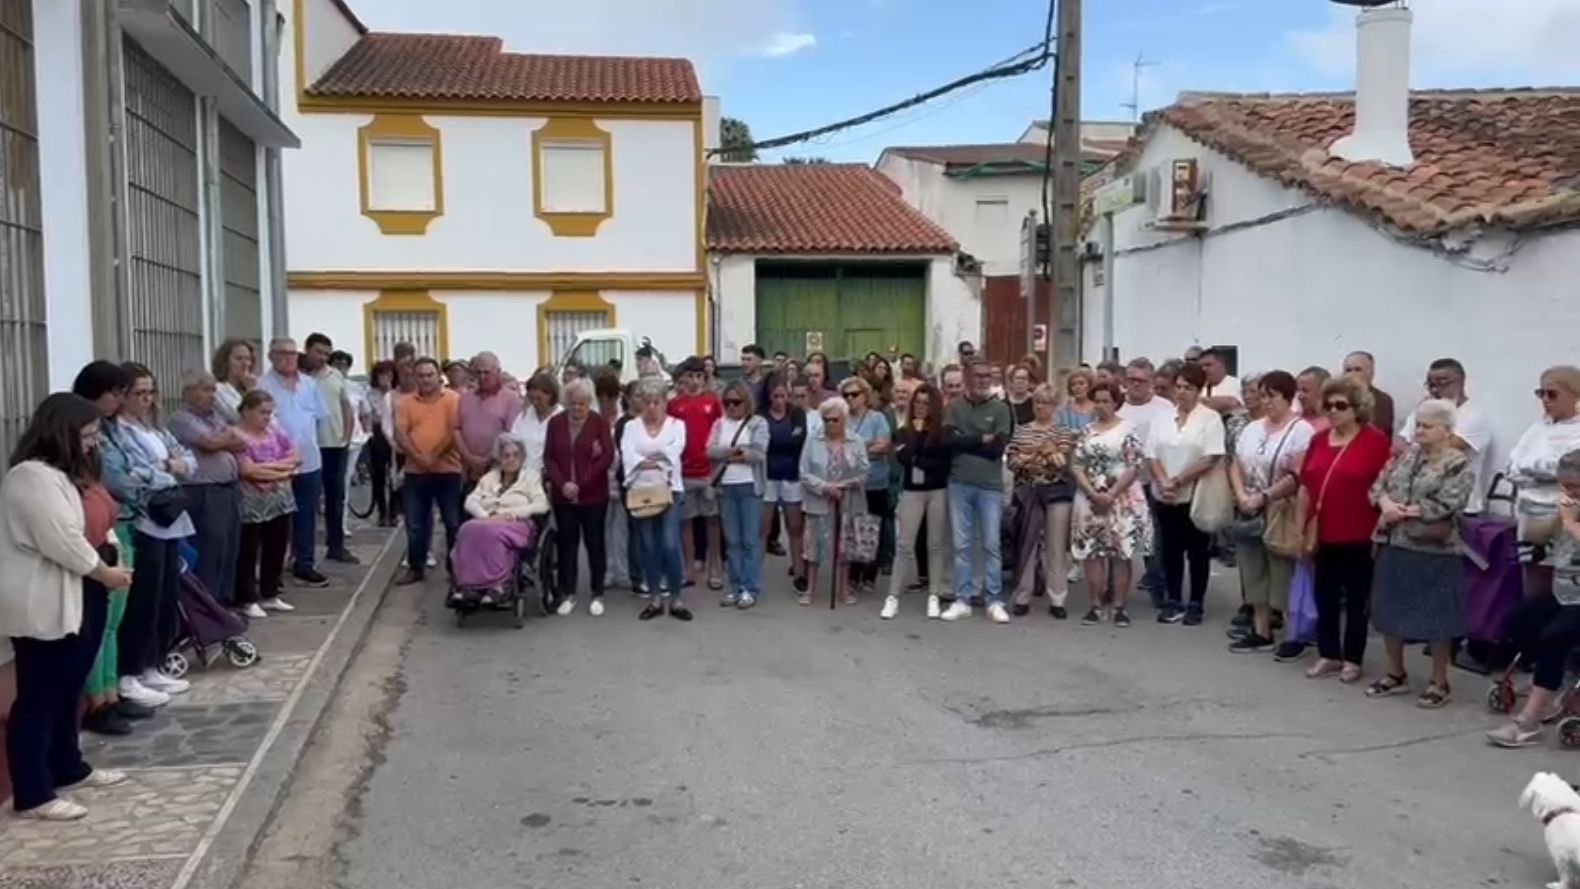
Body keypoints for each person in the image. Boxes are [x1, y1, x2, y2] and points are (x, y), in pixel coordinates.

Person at [0, 393, 136, 820]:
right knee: (40, 694)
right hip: (51, 597)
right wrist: (105, 572)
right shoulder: (31, 478)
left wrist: (111, 558)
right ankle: (33, 791)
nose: (93, 443)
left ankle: (67, 764)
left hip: (84, 590)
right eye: (87, 435)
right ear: (62, 433)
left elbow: (100, 522)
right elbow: (61, 540)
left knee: (69, 686)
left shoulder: (71, 474)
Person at [1364, 400, 1473, 708]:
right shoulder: (1405, 456)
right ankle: (1395, 672)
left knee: (1438, 615)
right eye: (1418, 425)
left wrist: (1406, 512)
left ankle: (1440, 681)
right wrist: (1386, 505)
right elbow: (1377, 487)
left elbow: (1450, 502)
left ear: (1447, 430)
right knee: (1389, 608)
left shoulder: (1457, 463)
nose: (1420, 431)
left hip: (1434, 548)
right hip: (1394, 543)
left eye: (1428, 426)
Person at [99, 364, 195, 708]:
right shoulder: (115, 434)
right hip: (144, 520)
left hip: (170, 518)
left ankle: (154, 662)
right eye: (138, 393)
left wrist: (167, 467)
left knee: (166, 595)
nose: (146, 400)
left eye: (150, 392)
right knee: (143, 597)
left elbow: (189, 462)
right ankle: (131, 670)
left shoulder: (152, 428)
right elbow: (128, 477)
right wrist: (167, 470)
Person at [69, 362, 151, 736]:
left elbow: (138, 470)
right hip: (99, 535)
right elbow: (118, 477)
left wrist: (148, 475)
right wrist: (152, 476)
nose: (120, 400)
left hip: (121, 525)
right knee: (100, 625)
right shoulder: (79, 439)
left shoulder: (112, 430)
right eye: (114, 393)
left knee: (114, 622)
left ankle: (112, 693)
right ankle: (97, 702)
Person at [1301, 375, 1392, 684]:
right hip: (1322, 532)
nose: (1333, 411)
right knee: (1324, 595)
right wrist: (1301, 527)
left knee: (1356, 600)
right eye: (1328, 405)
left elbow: (1386, 487)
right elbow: (1306, 486)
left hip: (1358, 534)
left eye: (1341, 405)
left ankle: (1353, 658)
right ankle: (1329, 654)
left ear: (1358, 408)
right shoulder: (1318, 440)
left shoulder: (1375, 440)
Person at [1488, 449, 1580, 748]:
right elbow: (1538, 535)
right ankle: (1547, 687)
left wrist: (1570, 523)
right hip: (1564, 591)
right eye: (1564, 486)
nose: (1567, 492)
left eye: (1574, 487)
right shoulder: (1569, 507)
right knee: (1518, 619)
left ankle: (1529, 721)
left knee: (1556, 636)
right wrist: (1553, 519)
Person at [1227, 371, 1315, 655]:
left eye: (1272, 396)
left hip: (1280, 507)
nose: (1266, 402)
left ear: (1288, 398)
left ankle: (1293, 634)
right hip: (1249, 506)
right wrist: (1242, 495)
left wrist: (1265, 496)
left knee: (1282, 571)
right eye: (1262, 395)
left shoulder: (1301, 430)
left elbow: (1298, 474)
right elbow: (1236, 463)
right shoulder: (1252, 428)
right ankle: (1261, 629)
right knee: (1253, 569)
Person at [1145, 363, 1227, 625]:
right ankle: (1173, 599)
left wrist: (1179, 480)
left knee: (1197, 550)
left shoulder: (1209, 418)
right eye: (1178, 387)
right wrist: (1163, 482)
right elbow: (1151, 453)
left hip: (1195, 492)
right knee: (1170, 549)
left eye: (1187, 388)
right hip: (1165, 493)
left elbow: (1211, 456)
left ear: (1198, 389)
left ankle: (1196, 602)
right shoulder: (1162, 417)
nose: (1181, 392)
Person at [1070, 379, 1150, 627]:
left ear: (1116, 402)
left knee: (1120, 553)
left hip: (1122, 497)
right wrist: (1093, 493)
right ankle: (1095, 605)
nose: (1101, 405)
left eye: (1107, 401)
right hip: (1090, 498)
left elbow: (1134, 465)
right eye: (1098, 401)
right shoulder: (1087, 431)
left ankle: (1119, 607)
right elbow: (1076, 464)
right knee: (1092, 552)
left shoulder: (1128, 429)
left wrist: (1112, 494)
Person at [941, 360, 1013, 624]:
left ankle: (994, 599)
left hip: (990, 486)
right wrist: (981, 438)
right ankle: (963, 599)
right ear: (968, 378)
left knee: (991, 544)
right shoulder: (955, 407)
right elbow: (948, 441)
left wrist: (965, 440)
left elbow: (998, 448)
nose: (983, 380)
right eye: (978, 376)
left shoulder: (1001, 409)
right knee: (962, 544)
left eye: (987, 376)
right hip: (959, 483)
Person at [168, 371, 245, 606]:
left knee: (229, 549)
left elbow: (241, 439)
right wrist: (224, 438)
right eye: (205, 390)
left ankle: (224, 601)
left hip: (227, 488)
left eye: (213, 390)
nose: (212, 396)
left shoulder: (216, 417)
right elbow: (209, 443)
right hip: (203, 491)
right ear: (188, 392)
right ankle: (208, 606)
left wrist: (223, 437)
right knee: (211, 548)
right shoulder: (181, 419)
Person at [257, 338, 330, 588]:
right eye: (282, 353)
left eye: (292, 353)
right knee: (276, 519)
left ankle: (305, 564)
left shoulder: (309, 384)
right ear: (271, 356)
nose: (289, 358)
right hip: (275, 463)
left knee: (307, 515)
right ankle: (272, 572)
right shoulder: (262, 385)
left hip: (309, 460)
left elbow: (318, 418)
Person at [450, 433, 551, 604]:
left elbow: (542, 505)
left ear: (522, 457)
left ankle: (498, 585)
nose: (511, 460)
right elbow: (470, 501)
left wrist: (515, 513)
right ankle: (469, 585)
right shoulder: (490, 478)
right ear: (499, 458)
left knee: (492, 534)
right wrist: (485, 516)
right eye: (506, 455)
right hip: (487, 521)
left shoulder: (531, 478)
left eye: (515, 455)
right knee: (466, 530)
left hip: (516, 523)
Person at [1507, 366, 1580, 602]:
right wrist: (1543, 470)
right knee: (1533, 586)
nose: (1546, 401)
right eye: (1541, 394)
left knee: (1562, 588)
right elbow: (1511, 467)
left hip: (1563, 519)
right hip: (1530, 517)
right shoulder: (1537, 429)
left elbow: (1567, 469)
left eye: (1553, 394)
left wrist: (1533, 468)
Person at [544, 379, 615, 616]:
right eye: (573, 404)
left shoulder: (599, 423)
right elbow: (549, 458)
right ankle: (569, 593)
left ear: (589, 403)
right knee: (567, 545)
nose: (577, 409)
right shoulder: (555, 423)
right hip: (563, 495)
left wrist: (580, 484)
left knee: (595, 544)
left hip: (593, 495)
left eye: (582, 404)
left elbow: (606, 457)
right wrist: (563, 484)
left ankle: (597, 593)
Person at [622, 380, 691, 621]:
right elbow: (627, 452)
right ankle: (654, 598)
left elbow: (675, 451)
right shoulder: (631, 426)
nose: (652, 407)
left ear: (665, 403)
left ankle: (676, 598)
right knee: (648, 546)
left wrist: (649, 459)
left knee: (670, 544)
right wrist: (650, 459)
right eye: (647, 402)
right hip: (641, 491)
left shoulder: (677, 425)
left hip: (670, 490)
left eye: (657, 402)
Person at [1008, 383, 1075, 619]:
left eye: (1045, 402)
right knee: (1027, 543)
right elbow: (1012, 461)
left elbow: (1061, 463)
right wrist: (1042, 453)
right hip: (1028, 491)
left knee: (1056, 547)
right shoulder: (1022, 429)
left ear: (1054, 405)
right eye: (1037, 402)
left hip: (1057, 493)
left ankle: (1057, 597)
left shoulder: (1063, 430)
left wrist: (1033, 457)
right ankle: (1023, 596)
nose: (1039, 407)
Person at [394, 358, 463, 586]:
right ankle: (416, 567)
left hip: (449, 470)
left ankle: (456, 569)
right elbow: (400, 434)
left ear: (438, 376)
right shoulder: (405, 403)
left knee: (453, 522)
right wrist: (419, 458)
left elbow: (454, 431)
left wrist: (433, 456)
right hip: (415, 471)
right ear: (414, 377)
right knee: (415, 522)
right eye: (420, 375)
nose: (425, 379)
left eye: (429, 374)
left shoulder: (453, 399)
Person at [233, 390, 301, 618]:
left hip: (278, 499)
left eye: (270, 413)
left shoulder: (274, 431)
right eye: (262, 412)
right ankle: (247, 597)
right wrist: (281, 469)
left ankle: (270, 592)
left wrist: (272, 469)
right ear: (247, 411)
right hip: (251, 500)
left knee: (277, 545)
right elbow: (247, 469)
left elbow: (295, 456)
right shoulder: (236, 435)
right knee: (249, 550)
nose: (267, 417)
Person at [887, 382, 951, 619]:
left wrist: (918, 458)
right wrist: (917, 434)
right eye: (917, 403)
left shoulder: (943, 432)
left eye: (926, 403)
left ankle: (934, 594)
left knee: (935, 545)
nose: (921, 407)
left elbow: (942, 464)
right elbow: (904, 457)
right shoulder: (904, 431)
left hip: (937, 490)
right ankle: (892, 596)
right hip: (912, 490)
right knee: (905, 544)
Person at [1395, 358, 1492, 513]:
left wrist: (1412, 450)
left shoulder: (1474, 416)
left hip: (1458, 506)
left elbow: (1440, 452)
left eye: (1442, 383)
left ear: (1461, 382)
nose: (1434, 390)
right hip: (1417, 503)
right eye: (1431, 384)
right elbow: (1399, 445)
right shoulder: (1425, 409)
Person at [800, 396, 870, 607]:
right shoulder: (813, 439)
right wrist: (825, 487)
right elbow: (804, 472)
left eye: (834, 420)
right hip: (819, 499)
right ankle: (810, 589)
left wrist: (846, 484)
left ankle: (843, 588)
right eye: (826, 420)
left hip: (848, 499)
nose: (830, 424)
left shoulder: (856, 440)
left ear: (844, 419)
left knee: (845, 546)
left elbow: (865, 470)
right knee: (814, 545)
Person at [708, 381, 769, 608]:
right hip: (726, 486)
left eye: (736, 402)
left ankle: (751, 587)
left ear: (747, 401)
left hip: (750, 486)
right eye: (727, 402)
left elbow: (759, 453)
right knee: (732, 541)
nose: (731, 407)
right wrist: (734, 452)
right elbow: (709, 450)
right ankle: (735, 586)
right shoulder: (719, 423)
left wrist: (736, 455)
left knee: (749, 541)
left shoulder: (757, 423)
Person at [669, 358, 725, 590]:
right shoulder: (675, 405)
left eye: (698, 377)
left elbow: (719, 433)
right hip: (684, 473)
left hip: (708, 472)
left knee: (712, 521)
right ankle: (689, 568)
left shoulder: (712, 403)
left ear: (705, 378)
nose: (694, 381)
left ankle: (714, 568)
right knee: (686, 522)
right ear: (684, 379)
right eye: (690, 377)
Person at [302, 333, 358, 566]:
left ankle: (336, 546)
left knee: (336, 497)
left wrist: (345, 436)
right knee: (309, 501)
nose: (322, 357)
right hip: (309, 447)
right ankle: (303, 551)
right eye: (318, 352)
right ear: (307, 351)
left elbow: (347, 407)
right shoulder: (302, 378)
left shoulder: (336, 377)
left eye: (326, 353)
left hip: (335, 445)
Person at [842, 376, 892, 601]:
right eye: (846, 395)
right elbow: (837, 447)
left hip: (875, 480)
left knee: (872, 528)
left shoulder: (877, 418)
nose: (851, 399)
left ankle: (869, 574)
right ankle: (853, 574)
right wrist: (867, 445)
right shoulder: (842, 419)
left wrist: (856, 447)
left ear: (865, 396)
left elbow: (883, 446)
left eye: (855, 394)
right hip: (851, 482)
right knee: (852, 527)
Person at [761, 375, 809, 589]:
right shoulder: (761, 415)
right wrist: (786, 439)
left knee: (795, 526)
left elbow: (799, 440)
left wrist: (779, 440)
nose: (779, 401)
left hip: (791, 474)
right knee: (763, 528)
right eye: (775, 396)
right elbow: (763, 443)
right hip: (768, 475)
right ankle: (756, 574)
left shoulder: (797, 413)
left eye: (783, 396)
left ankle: (799, 571)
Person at [455, 351, 524, 498]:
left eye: (487, 373)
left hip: (498, 471)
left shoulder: (511, 399)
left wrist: (488, 459)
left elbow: (510, 435)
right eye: (478, 372)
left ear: (498, 371)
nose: (482, 377)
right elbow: (457, 430)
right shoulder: (465, 398)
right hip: (468, 471)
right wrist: (469, 458)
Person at [363, 360, 399, 527]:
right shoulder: (370, 394)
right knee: (378, 476)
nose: (386, 378)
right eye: (382, 375)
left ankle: (394, 511)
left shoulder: (396, 394)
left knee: (395, 475)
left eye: (389, 375)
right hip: (377, 435)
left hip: (394, 434)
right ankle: (381, 511)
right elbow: (369, 415)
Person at [510, 372, 563, 477]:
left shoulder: (561, 417)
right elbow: (512, 440)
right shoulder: (524, 415)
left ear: (551, 396)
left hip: (548, 478)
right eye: (532, 398)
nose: (535, 402)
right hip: (522, 476)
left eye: (539, 398)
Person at [1342, 351, 1395, 439]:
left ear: (1371, 373)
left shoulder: (1382, 400)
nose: (1351, 374)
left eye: (1358, 370)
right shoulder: (1335, 399)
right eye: (1348, 370)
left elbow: (1380, 432)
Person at [212, 338, 256, 420]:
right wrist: (251, 391)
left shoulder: (256, 385)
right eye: (238, 359)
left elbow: (271, 417)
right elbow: (238, 417)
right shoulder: (218, 390)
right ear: (226, 362)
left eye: (248, 359)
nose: (245, 363)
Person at [1198, 348, 1242, 414]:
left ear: (1221, 363)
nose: (1204, 369)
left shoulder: (1237, 384)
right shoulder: (1199, 388)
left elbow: (1233, 403)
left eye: (1208, 365)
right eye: (1201, 366)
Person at [1296, 367, 1332, 435]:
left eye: (1305, 391)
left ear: (1323, 391)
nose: (1299, 396)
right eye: (1298, 390)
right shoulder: (1293, 420)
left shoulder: (1333, 424)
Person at [739, 344, 771, 409]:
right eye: (743, 359)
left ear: (759, 361)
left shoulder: (769, 383)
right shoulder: (738, 385)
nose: (744, 363)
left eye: (749, 359)